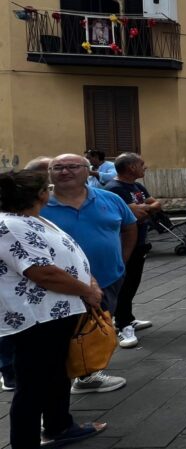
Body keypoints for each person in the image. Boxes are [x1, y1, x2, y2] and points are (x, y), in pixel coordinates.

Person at [0, 169, 107, 449]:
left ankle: (59, 425)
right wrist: (87, 289)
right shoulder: (9, 225)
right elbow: (40, 271)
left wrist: (88, 280)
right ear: (40, 195)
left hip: (55, 312)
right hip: (35, 316)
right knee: (32, 383)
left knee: (55, 372)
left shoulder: (28, 218)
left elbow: (60, 257)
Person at [43, 153, 135, 394]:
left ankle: (87, 374)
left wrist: (122, 260)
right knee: (63, 337)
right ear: (50, 173)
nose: (65, 171)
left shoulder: (111, 199)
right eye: (58, 167)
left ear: (87, 171)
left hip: (108, 278)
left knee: (96, 329)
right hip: (59, 285)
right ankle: (62, 386)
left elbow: (129, 227)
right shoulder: (39, 205)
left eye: (72, 166)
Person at [105, 153, 160, 349]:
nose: (145, 167)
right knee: (124, 284)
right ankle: (122, 325)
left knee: (133, 282)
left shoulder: (137, 186)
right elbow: (133, 213)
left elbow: (156, 204)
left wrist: (143, 208)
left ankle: (127, 317)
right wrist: (143, 209)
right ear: (130, 168)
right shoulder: (114, 189)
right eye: (141, 164)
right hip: (125, 245)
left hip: (140, 242)